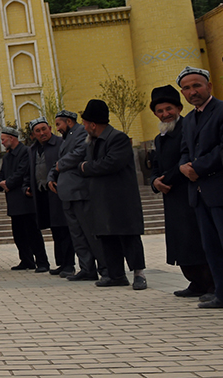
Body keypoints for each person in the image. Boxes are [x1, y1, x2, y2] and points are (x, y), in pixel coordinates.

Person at [148, 85, 214, 298]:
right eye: (160, 111)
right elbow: (155, 166)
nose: (165, 114)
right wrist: (154, 182)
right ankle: (196, 282)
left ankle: (211, 284)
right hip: (171, 196)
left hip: (190, 192)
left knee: (196, 240)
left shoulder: (189, 127)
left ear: (178, 108)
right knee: (180, 242)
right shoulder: (160, 137)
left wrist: (164, 180)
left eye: (169, 109)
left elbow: (184, 160)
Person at [78, 99, 147, 290]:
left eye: (84, 123)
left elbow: (111, 163)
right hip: (101, 198)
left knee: (129, 237)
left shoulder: (118, 138)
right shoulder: (92, 142)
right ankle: (115, 275)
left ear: (93, 124)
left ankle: (139, 274)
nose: (83, 127)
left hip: (121, 199)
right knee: (107, 237)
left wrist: (86, 167)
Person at [177, 65, 223, 308]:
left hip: (220, 190)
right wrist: (182, 167)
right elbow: (185, 150)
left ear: (209, 86)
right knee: (212, 247)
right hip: (198, 194)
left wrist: (197, 167)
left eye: (196, 85)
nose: (192, 91)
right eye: (186, 88)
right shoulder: (188, 120)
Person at [49, 110, 106, 282]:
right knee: (77, 235)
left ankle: (105, 268)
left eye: (59, 124)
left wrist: (60, 165)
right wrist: (52, 175)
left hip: (80, 191)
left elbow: (79, 153)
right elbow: (58, 163)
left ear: (69, 122)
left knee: (90, 233)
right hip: (67, 194)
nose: (57, 129)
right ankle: (87, 268)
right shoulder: (67, 137)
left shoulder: (81, 133)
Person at [28, 117, 75, 277]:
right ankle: (61, 262)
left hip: (58, 192)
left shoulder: (60, 144)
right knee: (55, 229)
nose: (42, 133)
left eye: (44, 129)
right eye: (38, 131)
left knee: (64, 228)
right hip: (42, 193)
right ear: (33, 134)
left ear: (49, 128)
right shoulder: (33, 149)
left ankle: (69, 264)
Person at [0, 127, 49, 272]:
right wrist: (1, 182)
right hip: (13, 201)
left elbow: (22, 172)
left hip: (25, 200)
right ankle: (26, 260)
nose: (2, 142)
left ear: (11, 138)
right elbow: (0, 174)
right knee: (18, 234)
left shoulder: (26, 151)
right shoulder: (7, 156)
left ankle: (42, 262)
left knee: (32, 233)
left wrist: (8, 183)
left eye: (3, 139)